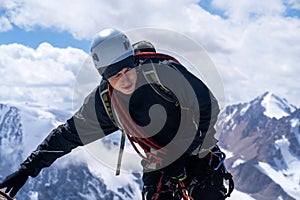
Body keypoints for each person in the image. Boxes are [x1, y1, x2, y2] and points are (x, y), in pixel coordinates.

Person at [0, 28, 233, 200]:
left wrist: (184, 151)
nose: (126, 78)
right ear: (104, 77)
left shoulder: (164, 75)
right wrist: (27, 170)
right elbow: (68, 135)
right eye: (116, 75)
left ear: (133, 62)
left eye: (127, 69)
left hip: (198, 150)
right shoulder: (105, 104)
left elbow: (208, 107)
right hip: (159, 162)